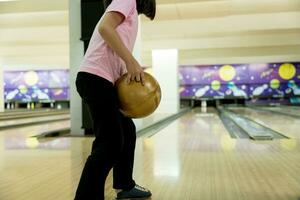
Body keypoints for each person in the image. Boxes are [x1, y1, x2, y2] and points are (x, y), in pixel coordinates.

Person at [74, 0, 156, 199]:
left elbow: (114, 55)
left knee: (127, 132)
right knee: (110, 143)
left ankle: (125, 185)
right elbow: (105, 28)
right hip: (95, 78)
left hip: (105, 81)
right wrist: (131, 61)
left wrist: (126, 79)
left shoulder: (131, 12)